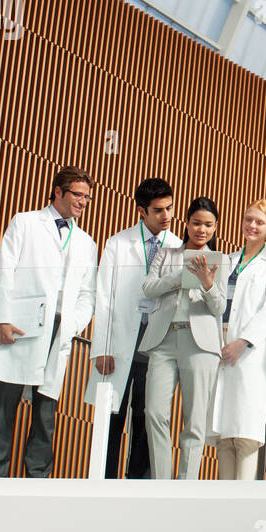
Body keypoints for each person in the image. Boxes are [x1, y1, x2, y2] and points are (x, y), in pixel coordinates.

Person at [0, 166, 98, 478]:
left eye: (87, 197)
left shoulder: (87, 242)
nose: (83, 202)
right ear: (58, 191)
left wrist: (73, 326)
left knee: (45, 415)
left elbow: (88, 294)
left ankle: (37, 481)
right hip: (20, 328)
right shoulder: (26, 222)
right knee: (3, 412)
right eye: (78, 195)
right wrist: (2, 319)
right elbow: (3, 271)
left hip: (59, 331)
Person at [83, 178, 178, 479]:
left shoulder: (178, 246)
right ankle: (104, 486)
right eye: (158, 210)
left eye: (170, 208)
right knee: (112, 419)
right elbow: (104, 298)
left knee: (147, 420)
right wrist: (102, 348)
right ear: (141, 211)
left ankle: (139, 488)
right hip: (122, 343)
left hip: (157, 343)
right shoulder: (118, 243)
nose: (166, 216)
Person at [138, 197, 226, 479]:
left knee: (195, 421)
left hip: (201, 346)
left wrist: (208, 283)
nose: (202, 230)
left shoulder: (219, 260)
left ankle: (187, 485)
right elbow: (149, 287)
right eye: (196, 223)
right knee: (154, 412)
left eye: (208, 225)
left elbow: (219, 308)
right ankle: (162, 483)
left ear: (215, 228)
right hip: (163, 341)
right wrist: (179, 277)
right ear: (186, 223)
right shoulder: (167, 254)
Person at [209, 200, 266, 480]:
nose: (252, 226)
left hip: (248, 353)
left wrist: (242, 341)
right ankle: (224, 506)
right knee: (223, 435)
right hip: (217, 346)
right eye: (248, 219)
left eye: (260, 222)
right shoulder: (225, 260)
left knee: (245, 432)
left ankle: (243, 504)